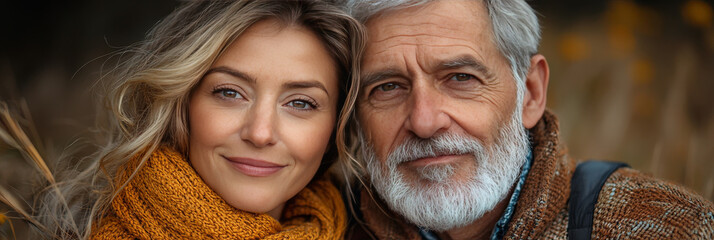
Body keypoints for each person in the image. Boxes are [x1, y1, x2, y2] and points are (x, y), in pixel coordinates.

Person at [337, 0, 714, 239]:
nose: (424, 121)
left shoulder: (665, 226)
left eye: (461, 78)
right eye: (387, 87)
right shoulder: (323, 226)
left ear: (530, 93)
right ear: (354, 116)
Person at [0, 0, 365, 239]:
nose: (260, 132)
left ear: (335, 127)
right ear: (180, 104)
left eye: (300, 103)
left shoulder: (358, 228)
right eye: (229, 93)